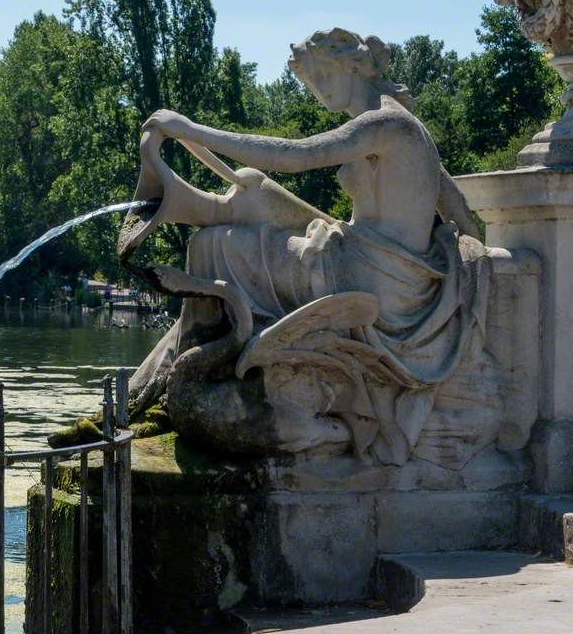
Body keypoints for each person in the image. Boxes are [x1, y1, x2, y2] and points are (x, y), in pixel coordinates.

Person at [130, 28, 505, 467]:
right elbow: (461, 214)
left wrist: (191, 130)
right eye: (311, 83)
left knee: (212, 248)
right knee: (256, 191)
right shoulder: (406, 126)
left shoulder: (387, 123)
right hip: (373, 267)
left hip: (368, 281)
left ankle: (175, 383)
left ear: (352, 65)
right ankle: (161, 382)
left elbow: (295, 155)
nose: (319, 91)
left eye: (323, 77)